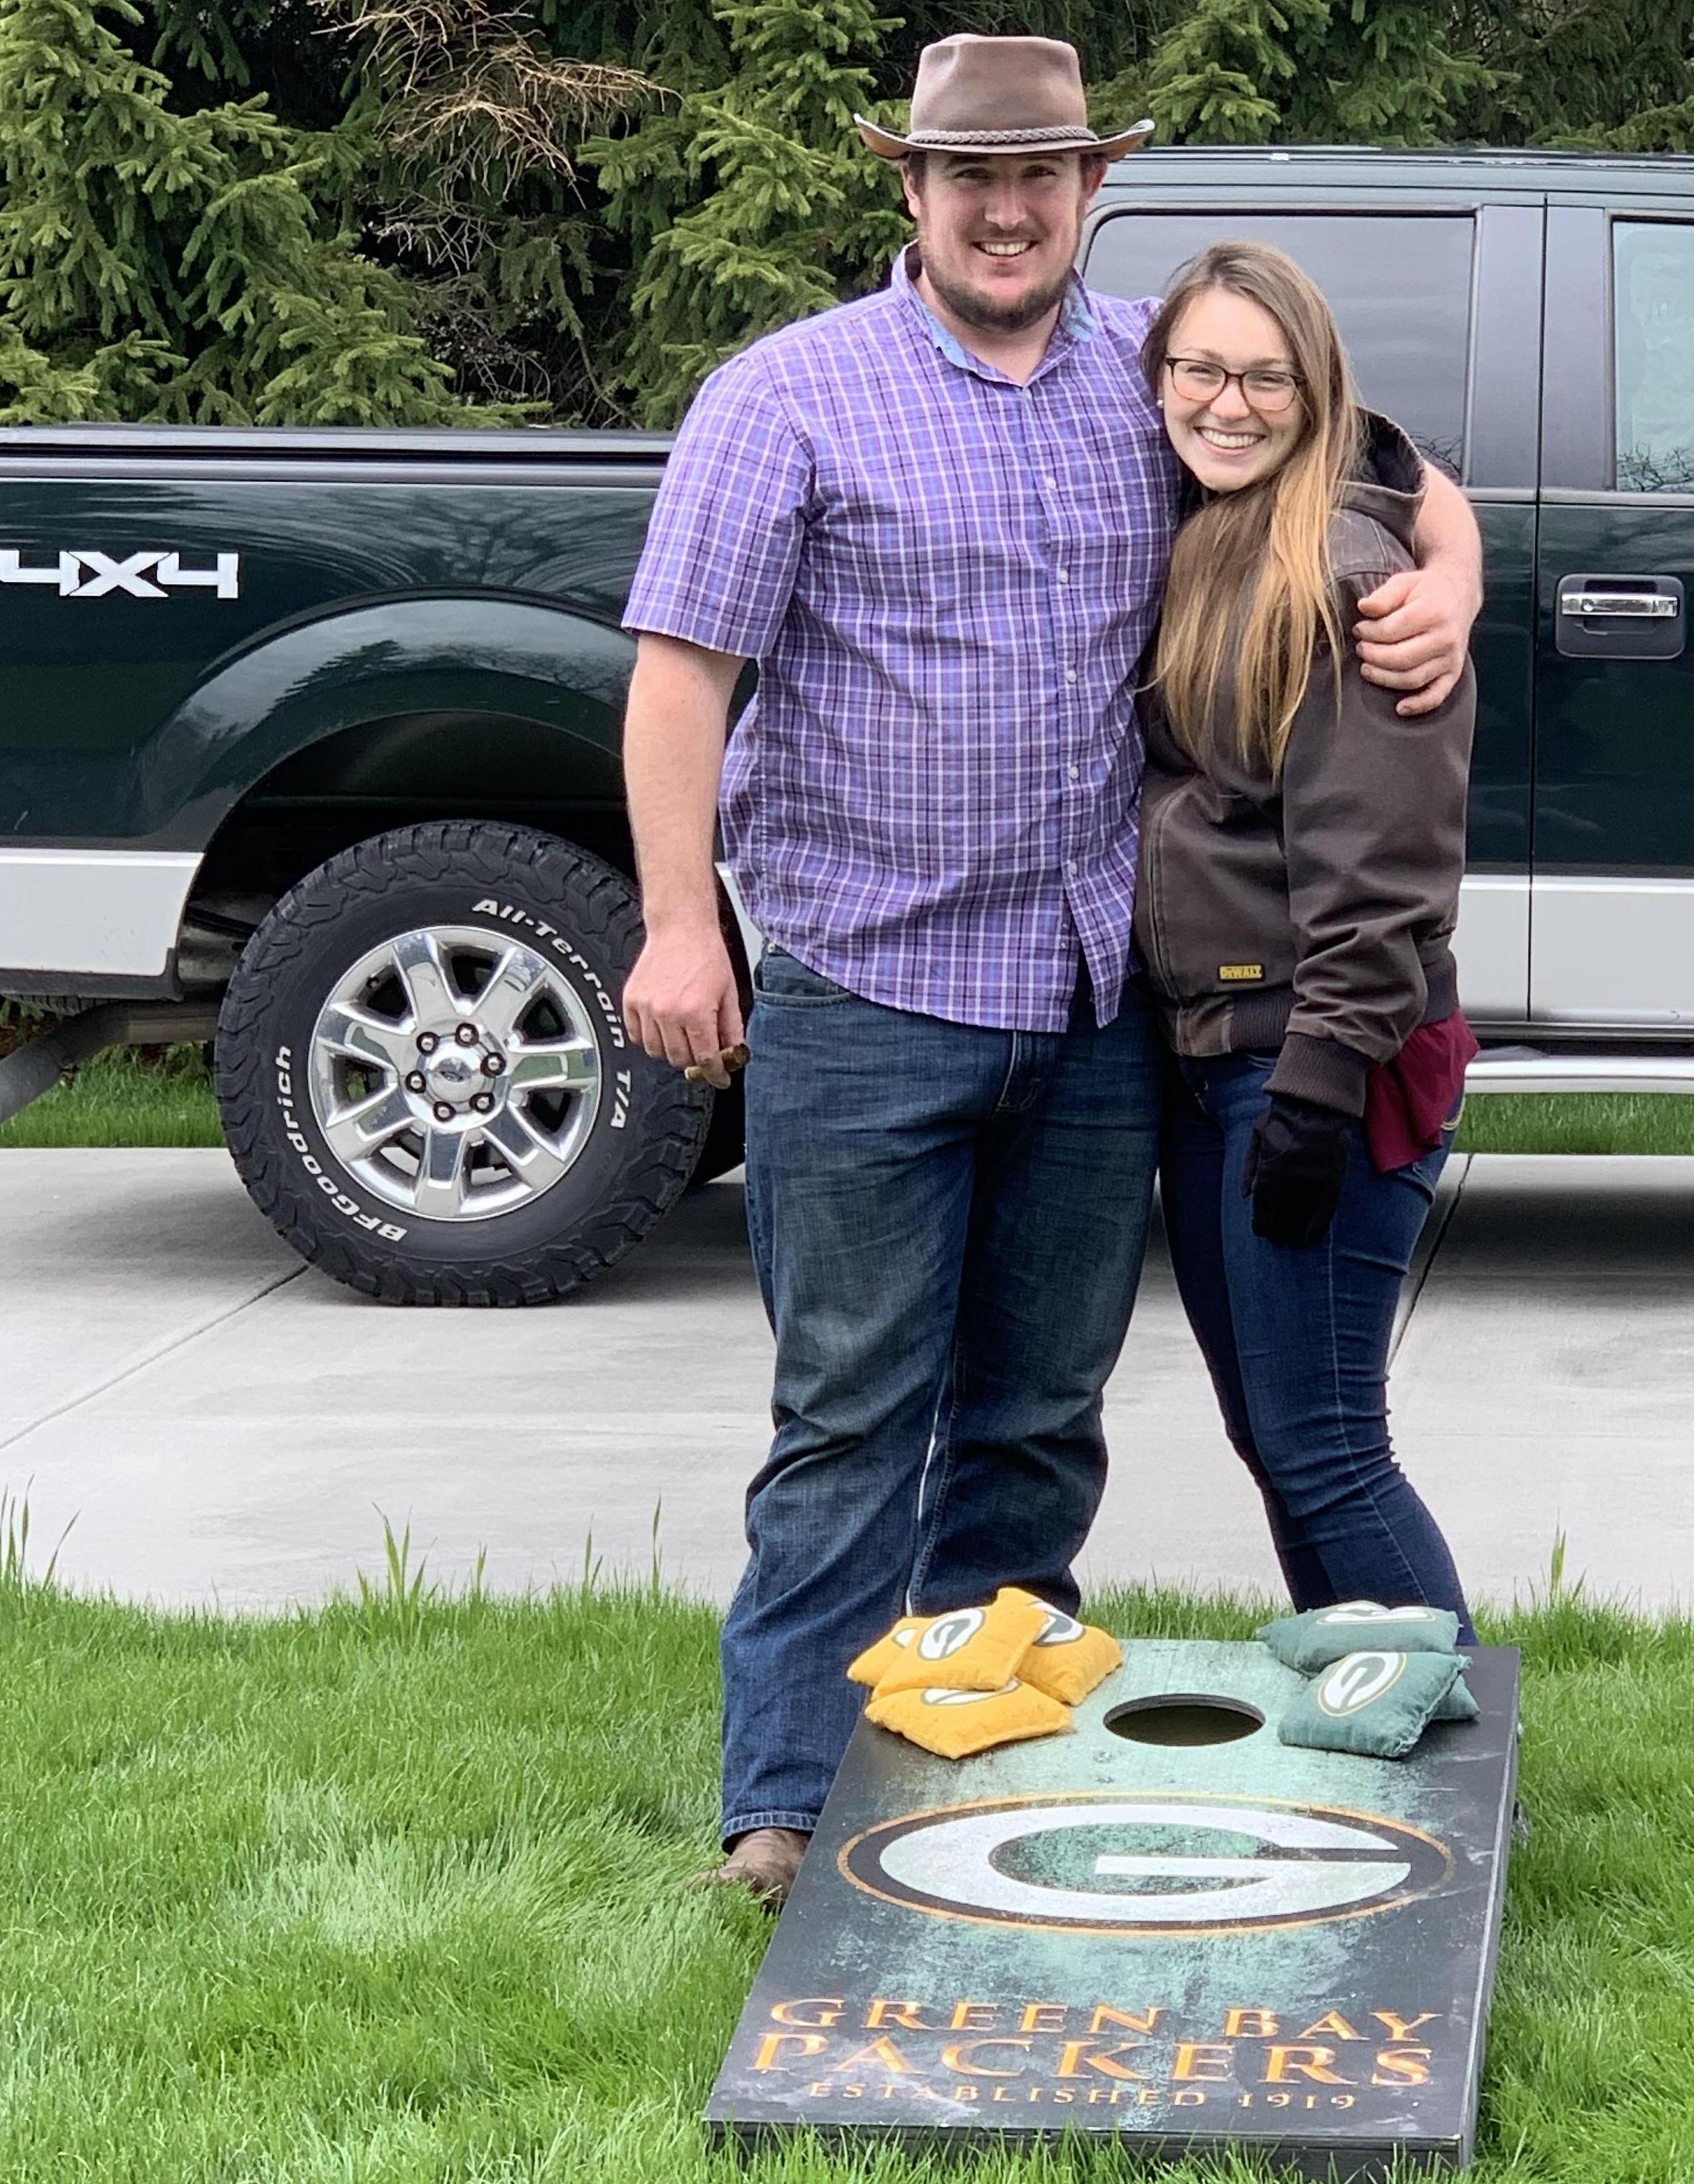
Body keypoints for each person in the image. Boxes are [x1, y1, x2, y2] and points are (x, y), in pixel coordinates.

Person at [616, 34, 1484, 1908]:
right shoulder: (786, 397)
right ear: (910, 188)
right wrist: (683, 923)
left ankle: (973, 1755)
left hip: (1097, 1018)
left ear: (1092, 189)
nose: (1005, 211)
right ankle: (787, 1803)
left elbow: (1385, 465)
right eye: (970, 179)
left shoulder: (1151, 372)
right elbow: (681, 672)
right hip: (863, 998)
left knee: (1032, 1422)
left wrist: (1456, 572)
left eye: (1040, 178)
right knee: (850, 1415)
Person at [1135, 241, 1479, 1639]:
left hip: (1315, 1065)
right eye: (1200, 370)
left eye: (1265, 378)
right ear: (1158, 375)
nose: (1227, 404)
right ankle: (1370, 1707)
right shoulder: (1210, 520)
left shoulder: (1347, 578)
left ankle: (1457, 1745)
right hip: (1217, 1055)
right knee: (1283, 1440)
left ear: (1315, 390)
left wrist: (1319, 1090)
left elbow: (1382, 868)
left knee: (1329, 1448)